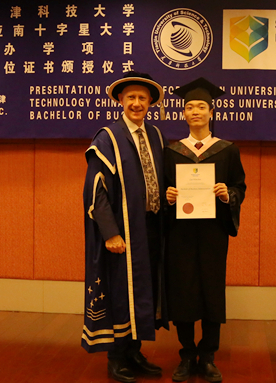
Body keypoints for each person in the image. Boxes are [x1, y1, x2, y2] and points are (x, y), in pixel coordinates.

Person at [82, 71, 169, 383]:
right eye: (131, 97)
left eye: (142, 98)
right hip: (124, 231)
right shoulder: (108, 137)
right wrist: (111, 233)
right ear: (120, 99)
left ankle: (134, 352)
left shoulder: (156, 136)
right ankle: (117, 357)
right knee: (121, 291)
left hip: (151, 227)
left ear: (150, 103)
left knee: (144, 290)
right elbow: (96, 190)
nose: (136, 103)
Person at [164, 77, 246, 383]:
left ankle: (208, 355)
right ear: (183, 113)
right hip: (180, 233)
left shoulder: (228, 151)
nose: (195, 111)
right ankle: (187, 354)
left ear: (211, 112)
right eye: (190, 107)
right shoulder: (172, 151)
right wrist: (168, 197)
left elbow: (240, 187)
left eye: (201, 106)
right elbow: (161, 190)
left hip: (213, 232)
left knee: (212, 290)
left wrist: (228, 195)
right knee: (182, 290)